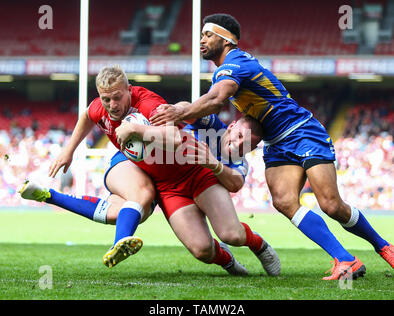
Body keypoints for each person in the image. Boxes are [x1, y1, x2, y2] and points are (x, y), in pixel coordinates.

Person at [149, 13, 393, 280]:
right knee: (284, 201)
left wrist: (177, 114)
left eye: (208, 35)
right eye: (201, 36)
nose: (201, 41)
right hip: (276, 143)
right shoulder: (225, 68)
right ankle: (346, 260)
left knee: (331, 205)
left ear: (227, 40)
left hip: (301, 131)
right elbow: (211, 102)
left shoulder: (235, 63)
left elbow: (217, 99)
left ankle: (384, 247)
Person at [20, 65, 280, 277]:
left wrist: (138, 129)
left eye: (117, 97)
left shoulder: (148, 103)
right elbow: (88, 115)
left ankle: (259, 245)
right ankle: (228, 263)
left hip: (197, 175)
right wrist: (69, 150)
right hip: (165, 187)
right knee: (200, 249)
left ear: (129, 90)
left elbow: (175, 138)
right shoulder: (102, 106)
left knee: (231, 234)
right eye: (106, 99)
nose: (111, 104)